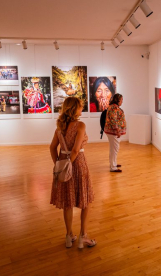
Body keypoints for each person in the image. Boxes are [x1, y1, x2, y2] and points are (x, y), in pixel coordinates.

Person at [49, 97, 96, 249]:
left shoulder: (59, 127)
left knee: (68, 202)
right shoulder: (80, 125)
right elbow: (76, 149)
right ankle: (83, 236)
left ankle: (69, 236)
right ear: (74, 108)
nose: (82, 109)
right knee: (85, 200)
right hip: (78, 164)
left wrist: (59, 164)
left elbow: (52, 147)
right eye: (80, 107)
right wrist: (70, 163)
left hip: (63, 163)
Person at [104, 93, 126, 172]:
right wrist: (117, 130)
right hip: (113, 132)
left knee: (113, 148)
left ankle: (113, 163)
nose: (122, 102)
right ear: (117, 100)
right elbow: (113, 120)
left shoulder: (113, 107)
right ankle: (113, 167)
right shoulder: (113, 108)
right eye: (121, 100)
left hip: (112, 132)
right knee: (115, 149)